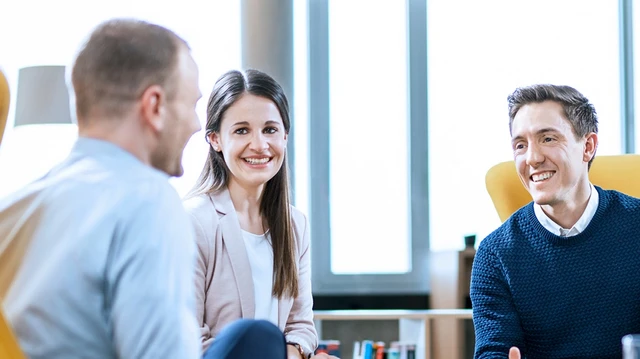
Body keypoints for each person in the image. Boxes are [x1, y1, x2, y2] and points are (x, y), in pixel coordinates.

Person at [0, 18, 203, 359]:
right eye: (192, 105)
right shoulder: (148, 202)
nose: (197, 125)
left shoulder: (13, 210)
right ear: (154, 106)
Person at [470, 84, 640, 359]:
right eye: (521, 145)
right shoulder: (495, 255)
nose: (533, 158)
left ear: (588, 146)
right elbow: (495, 350)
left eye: (548, 139)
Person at [183, 69, 337, 359]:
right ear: (215, 139)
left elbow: (300, 326)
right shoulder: (193, 222)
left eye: (270, 129)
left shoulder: (295, 225)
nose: (259, 145)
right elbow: (187, 335)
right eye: (242, 130)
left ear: (285, 136)